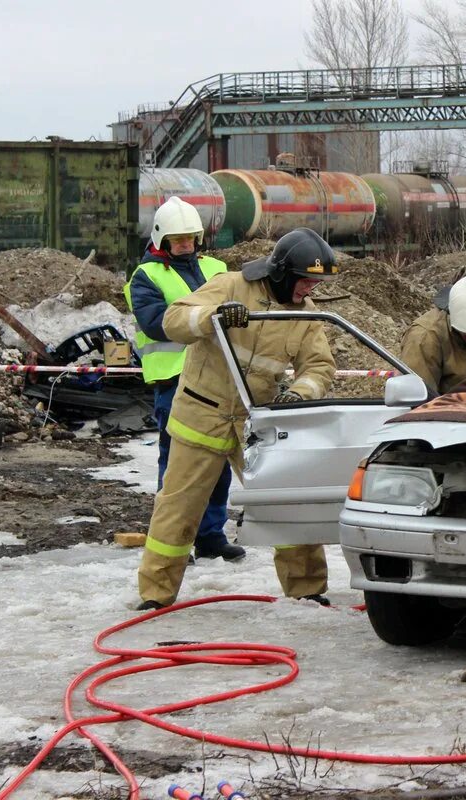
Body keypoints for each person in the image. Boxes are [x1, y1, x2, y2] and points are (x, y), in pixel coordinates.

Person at [136, 228, 338, 611]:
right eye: (306, 281)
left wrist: (299, 394)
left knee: (288, 504)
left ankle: (306, 589)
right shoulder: (229, 286)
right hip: (203, 414)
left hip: (257, 426)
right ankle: (155, 594)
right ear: (282, 273)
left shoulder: (304, 315)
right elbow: (174, 319)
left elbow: (319, 366)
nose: (309, 290)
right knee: (178, 508)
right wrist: (213, 317)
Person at [124, 197, 243, 562]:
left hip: (220, 380)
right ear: (161, 240)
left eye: (190, 238)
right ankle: (173, 540)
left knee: (217, 462)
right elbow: (156, 323)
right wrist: (211, 320)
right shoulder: (146, 276)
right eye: (178, 241)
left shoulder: (218, 268)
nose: (185, 245)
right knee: (176, 467)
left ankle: (210, 535)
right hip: (174, 381)